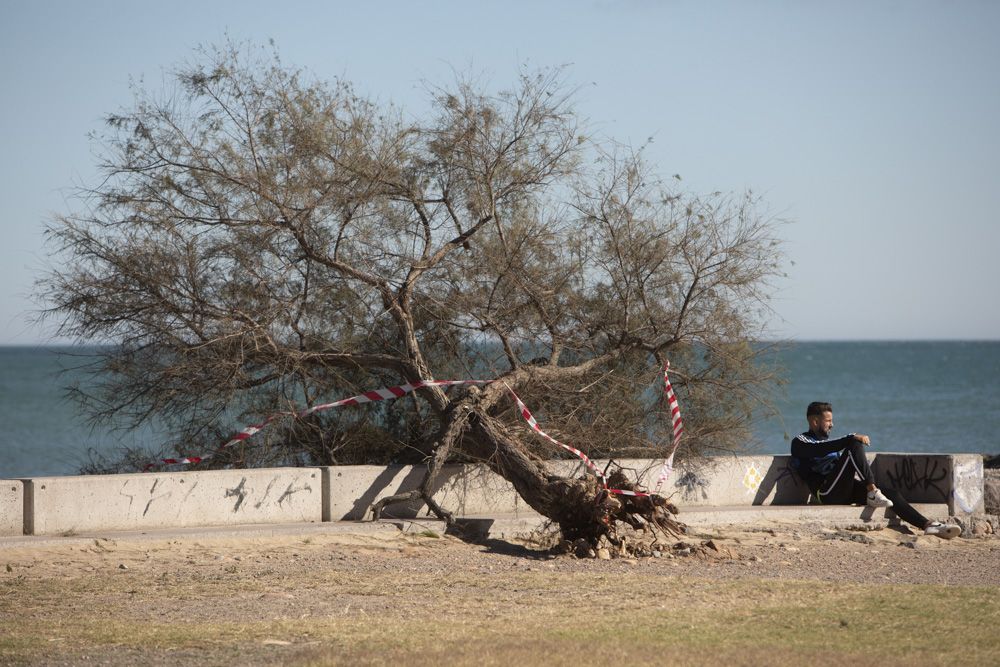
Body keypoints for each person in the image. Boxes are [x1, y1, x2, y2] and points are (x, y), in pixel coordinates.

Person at [790, 401, 960, 539]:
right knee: (854, 444)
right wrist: (850, 438)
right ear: (814, 421)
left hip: (843, 488)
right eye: (828, 421)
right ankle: (872, 491)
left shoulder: (830, 444)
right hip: (825, 492)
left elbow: (830, 449)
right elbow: (818, 449)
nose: (832, 425)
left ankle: (928, 525)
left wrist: (848, 441)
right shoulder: (800, 442)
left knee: (891, 494)